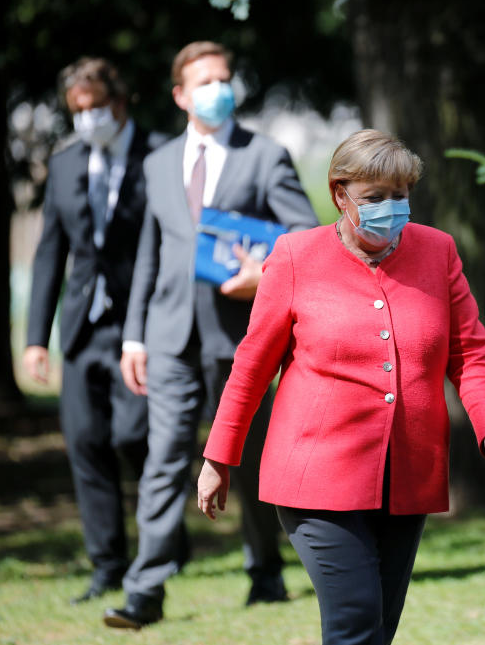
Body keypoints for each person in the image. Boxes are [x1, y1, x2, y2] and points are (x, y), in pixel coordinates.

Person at [197, 129, 485, 645]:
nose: (390, 209)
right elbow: (251, 367)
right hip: (315, 475)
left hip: (407, 473)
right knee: (355, 628)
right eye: (374, 198)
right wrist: (219, 457)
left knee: (378, 630)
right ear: (340, 194)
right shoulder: (295, 256)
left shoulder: (437, 251)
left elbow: (471, 353)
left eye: (400, 196)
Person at [103, 41, 320, 629]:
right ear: (180, 94)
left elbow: (305, 235)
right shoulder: (156, 162)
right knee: (164, 460)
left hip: (243, 337)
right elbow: (149, 253)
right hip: (170, 337)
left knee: (246, 461)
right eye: (204, 81)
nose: (217, 89)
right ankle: (145, 590)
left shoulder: (265, 154)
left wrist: (263, 272)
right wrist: (133, 337)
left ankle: (265, 573)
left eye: (223, 78)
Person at [23, 57, 165, 604]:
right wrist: (37, 336)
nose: (87, 119)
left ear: (120, 102)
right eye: (77, 111)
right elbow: (48, 254)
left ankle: (161, 541)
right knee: (85, 443)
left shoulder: (158, 155)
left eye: (95, 108)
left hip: (143, 325)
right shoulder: (64, 165)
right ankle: (108, 564)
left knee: (135, 436)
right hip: (82, 328)